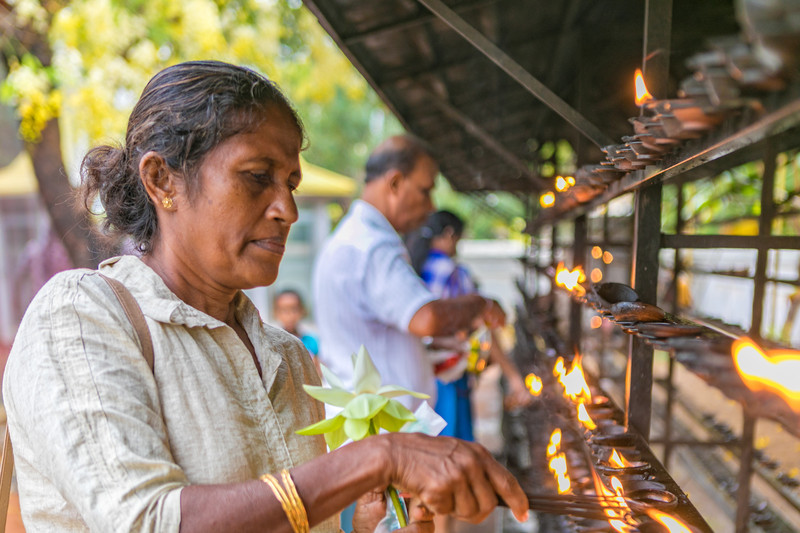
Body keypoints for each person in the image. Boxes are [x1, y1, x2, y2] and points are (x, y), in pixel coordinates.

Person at [2, 61, 528, 533]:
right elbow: (145, 521)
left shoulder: (291, 359)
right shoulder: (80, 315)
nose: (287, 210)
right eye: (258, 178)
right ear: (162, 180)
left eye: (292, 184)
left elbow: (288, 517)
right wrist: (377, 457)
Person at [312, 136, 507, 412]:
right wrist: (481, 304)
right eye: (425, 191)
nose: (430, 207)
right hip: (379, 428)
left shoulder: (356, 238)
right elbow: (427, 318)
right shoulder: (371, 245)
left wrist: (421, 355)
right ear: (394, 184)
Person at [405, 210, 532, 444]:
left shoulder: (411, 268)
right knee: (454, 446)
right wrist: (514, 377)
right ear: (450, 234)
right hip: (449, 376)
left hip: (417, 373)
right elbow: (483, 324)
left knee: (428, 446)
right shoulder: (453, 273)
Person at [273, 288, 321, 375]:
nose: (290, 315)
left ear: (302, 310)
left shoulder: (311, 341)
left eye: (294, 309)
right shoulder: (272, 343)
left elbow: (319, 372)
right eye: (284, 310)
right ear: (276, 313)